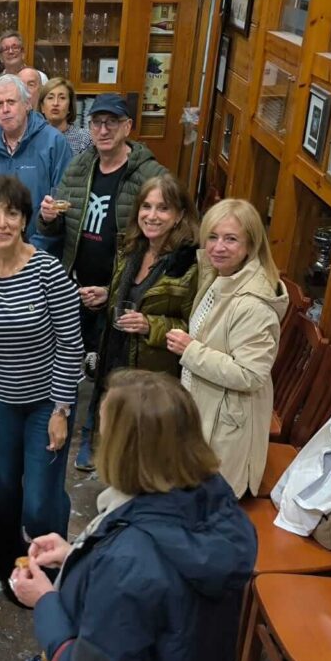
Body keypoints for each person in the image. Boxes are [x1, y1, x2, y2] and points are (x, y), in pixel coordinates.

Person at [8, 369, 256, 661]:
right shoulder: (209, 502)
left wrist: (44, 601)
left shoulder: (133, 558)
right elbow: (162, 597)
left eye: (105, 434)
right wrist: (80, 555)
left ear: (128, 451)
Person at [0, 175, 82, 586]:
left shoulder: (47, 270)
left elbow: (70, 342)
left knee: (41, 499)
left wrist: (62, 408)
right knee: (4, 490)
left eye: (12, 213)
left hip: (46, 401)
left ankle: (49, 566)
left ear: (25, 219)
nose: (3, 222)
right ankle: (6, 556)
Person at [37, 93, 167, 468]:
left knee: (110, 369)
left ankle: (94, 440)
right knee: (67, 359)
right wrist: (48, 217)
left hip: (120, 291)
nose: (103, 129)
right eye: (96, 122)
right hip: (75, 285)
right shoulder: (80, 167)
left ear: (128, 127)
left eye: (112, 122)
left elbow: (162, 239)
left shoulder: (149, 176)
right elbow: (59, 225)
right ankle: (60, 422)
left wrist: (114, 291)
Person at [165, 198, 289, 498]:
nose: (218, 247)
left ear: (251, 245)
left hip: (227, 430)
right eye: (212, 237)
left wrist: (191, 350)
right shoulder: (220, 274)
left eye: (231, 239)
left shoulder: (253, 304)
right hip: (205, 408)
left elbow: (250, 375)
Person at [81, 176, 199, 468]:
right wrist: (107, 295)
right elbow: (134, 297)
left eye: (163, 208)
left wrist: (150, 325)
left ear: (180, 215)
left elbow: (196, 328)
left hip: (152, 373)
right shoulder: (133, 247)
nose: (152, 215)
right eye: (146, 206)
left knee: (141, 453)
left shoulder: (189, 265)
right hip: (117, 355)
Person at [0, 75, 72, 254]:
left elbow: (63, 204)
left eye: (11, 102)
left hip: (42, 260)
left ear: (27, 104)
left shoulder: (54, 143)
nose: (5, 109)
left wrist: (29, 254)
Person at [0, 31, 48, 140]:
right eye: (6, 49)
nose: (11, 51)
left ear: (23, 52)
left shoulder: (40, 77)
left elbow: (49, 114)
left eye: (15, 47)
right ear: (1, 57)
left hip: (38, 139)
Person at [38, 77, 93, 156]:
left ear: (69, 107)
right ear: (42, 107)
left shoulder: (85, 139)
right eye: (50, 98)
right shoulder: (33, 138)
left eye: (62, 98)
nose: (56, 103)